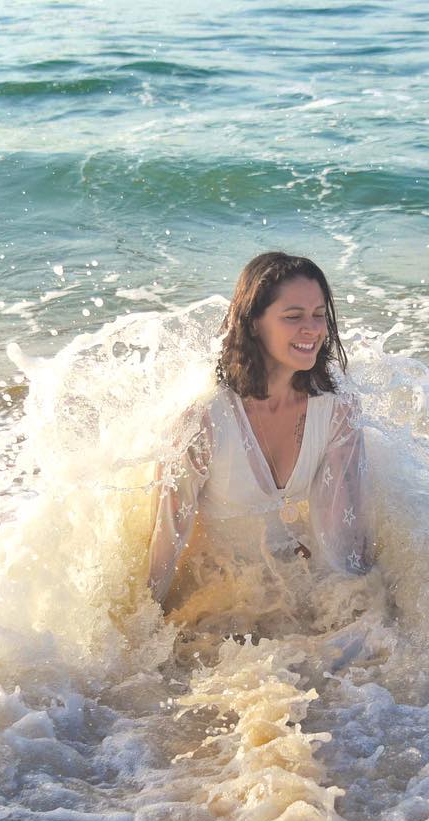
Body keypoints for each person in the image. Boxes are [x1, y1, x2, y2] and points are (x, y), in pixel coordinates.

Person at [148, 252, 372, 604]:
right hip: (218, 597)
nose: (312, 329)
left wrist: (362, 607)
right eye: (293, 316)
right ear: (253, 323)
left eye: (319, 315)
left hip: (293, 590)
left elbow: (345, 543)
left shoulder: (337, 410)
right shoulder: (203, 421)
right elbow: (163, 547)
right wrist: (144, 630)